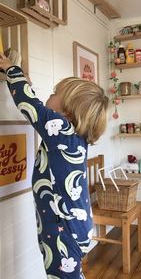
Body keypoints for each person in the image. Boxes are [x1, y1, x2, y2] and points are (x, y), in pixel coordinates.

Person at [0, 53, 109, 278]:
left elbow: (31, 106)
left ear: (68, 111)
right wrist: (25, 83)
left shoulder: (61, 130)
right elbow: (39, 109)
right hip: (70, 224)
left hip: (65, 227)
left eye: (54, 93)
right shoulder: (70, 135)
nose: (48, 96)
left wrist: (12, 70)